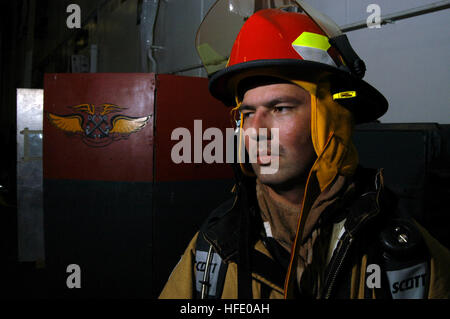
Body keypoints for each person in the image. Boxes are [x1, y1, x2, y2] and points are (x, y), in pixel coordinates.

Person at [159, 2, 450, 299]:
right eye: (247, 113)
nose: (256, 131)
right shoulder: (213, 247)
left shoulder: (404, 256)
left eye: (280, 108)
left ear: (332, 120)